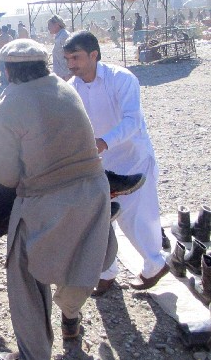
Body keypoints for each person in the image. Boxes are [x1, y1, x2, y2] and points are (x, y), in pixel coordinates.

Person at [0, 39, 112, 360]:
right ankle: (71, 322)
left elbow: (5, 176)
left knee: (23, 274)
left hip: (45, 203)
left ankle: (34, 354)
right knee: (79, 262)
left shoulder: (9, 106)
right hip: (93, 195)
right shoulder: (65, 88)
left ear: (7, 70)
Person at [63, 31, 169, 297]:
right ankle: (106, 273)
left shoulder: (122, 79)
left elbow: (133, 121)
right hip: (101, 163)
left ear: (94, 55)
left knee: (138, 218)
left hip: (134, 158)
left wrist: (104, 142)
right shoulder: (72, 87)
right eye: (67, 58)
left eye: (75, 57)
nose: (71, 64)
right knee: (101, 218)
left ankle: (155, 266)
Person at [47, 14, 72, 80]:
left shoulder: (64, 36)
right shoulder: (59, 36)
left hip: (65, 75)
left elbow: (70, 55)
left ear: (57, 25)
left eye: (50, 25)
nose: (48, 28)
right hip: (60, 74)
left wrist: (69, 74)